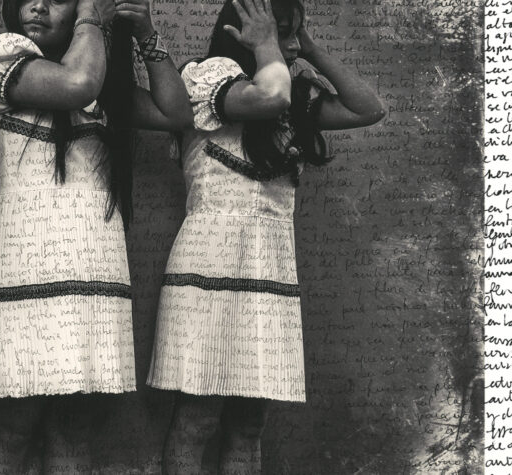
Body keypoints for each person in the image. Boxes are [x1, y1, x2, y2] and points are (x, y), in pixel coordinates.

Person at [145, 0, 386, 473]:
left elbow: (369, 108)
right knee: (197, 418)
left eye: (294, 35)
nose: (289, 45)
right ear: (241, 33)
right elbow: (266, 98)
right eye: (279, 32)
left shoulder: (295, 90)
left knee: (250, 423)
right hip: (211, 260)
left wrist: (308, 47)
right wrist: (267, 48)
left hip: (271, 267)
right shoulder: (204, 77)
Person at [0, 0, 192, 472]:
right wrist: (90, 13)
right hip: (20, 268)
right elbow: (75, 84)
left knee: (75, 426)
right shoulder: (1, 57)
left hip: (93, 269)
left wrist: (145, 33)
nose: (39, 6)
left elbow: (177, 113)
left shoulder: (101, 81)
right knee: (12, 421)